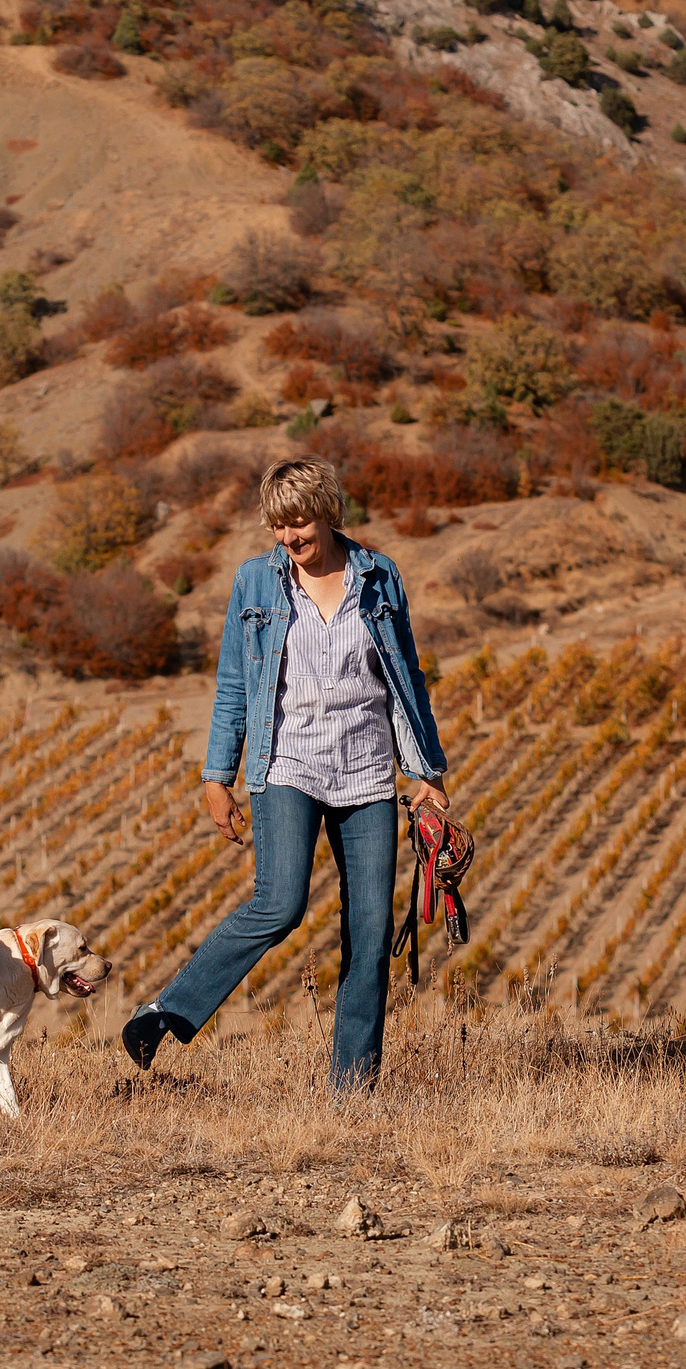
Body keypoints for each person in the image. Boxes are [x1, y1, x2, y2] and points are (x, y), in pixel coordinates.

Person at [122, 456, 449, 1089]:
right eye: (278, 526)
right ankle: (167, 1011)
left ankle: (353, 1089)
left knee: (371, 930)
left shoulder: (378, 577)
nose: (289, 538)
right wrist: (217, 775)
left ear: (327, 513)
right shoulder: (255, 583)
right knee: (279, 904)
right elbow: (235, 686)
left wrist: (428, 771)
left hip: (366, 770)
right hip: (288, 762)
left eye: (298, 523)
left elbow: (407, 677)